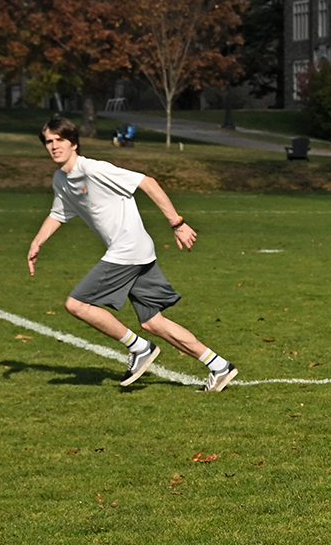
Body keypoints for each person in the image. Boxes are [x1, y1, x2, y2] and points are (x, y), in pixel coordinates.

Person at [24, 116, 238, 392]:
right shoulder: (61, 179)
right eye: (49, 142)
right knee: (153, 321)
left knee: (76, 304)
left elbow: (147, 182)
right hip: (136, 252)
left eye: (59, 140)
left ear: (73, 143)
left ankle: (139, 349)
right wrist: (37, 242)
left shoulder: (93, 169)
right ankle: (219, 366)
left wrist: (177, 223)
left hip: (127, 250)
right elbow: (59, 212)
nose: (54, 146)